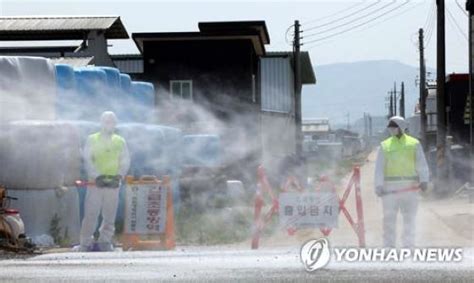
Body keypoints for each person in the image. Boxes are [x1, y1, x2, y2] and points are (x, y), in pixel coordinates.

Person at [77, 111, 130, 252]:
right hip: (96, 184)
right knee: (91, 213)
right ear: (101, 123)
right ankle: (85, 242)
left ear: (115, 124)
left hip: (113, 184)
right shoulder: (92, 139)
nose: (109, 124)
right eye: (106, 121)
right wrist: (96, 176)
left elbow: (125, 160)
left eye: (112, 121)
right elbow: (88, 159)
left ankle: (105, 241)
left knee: (110, 214)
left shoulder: (120, 141)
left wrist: (119, 176)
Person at [374, 116, 429, 248]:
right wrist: (378, 185)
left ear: (401, 127)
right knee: (389, 219)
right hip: (389, 189)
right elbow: (379, 167)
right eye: (390, 126)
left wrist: (424, 180)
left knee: (409, 218)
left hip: (410, 188)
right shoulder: (385, 145)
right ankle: (389, 246)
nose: (391, 129)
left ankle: (408, 245)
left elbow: (421, 164)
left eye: (394, 126)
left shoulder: (414, 143)